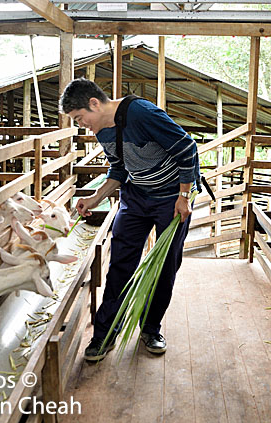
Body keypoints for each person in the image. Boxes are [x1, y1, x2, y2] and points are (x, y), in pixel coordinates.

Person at [59, 78, 200, 362]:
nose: (81, 124)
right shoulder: (102, 129)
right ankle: (105, 333)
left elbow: (187, 149)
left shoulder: (142, 113)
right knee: (120, 263)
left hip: (171, 197)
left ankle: (150, 327)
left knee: (164, 264)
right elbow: (119, 168)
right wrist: (96, 198)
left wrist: (184, 196)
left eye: (79, 117)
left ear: (94, 103)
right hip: (135, 197)